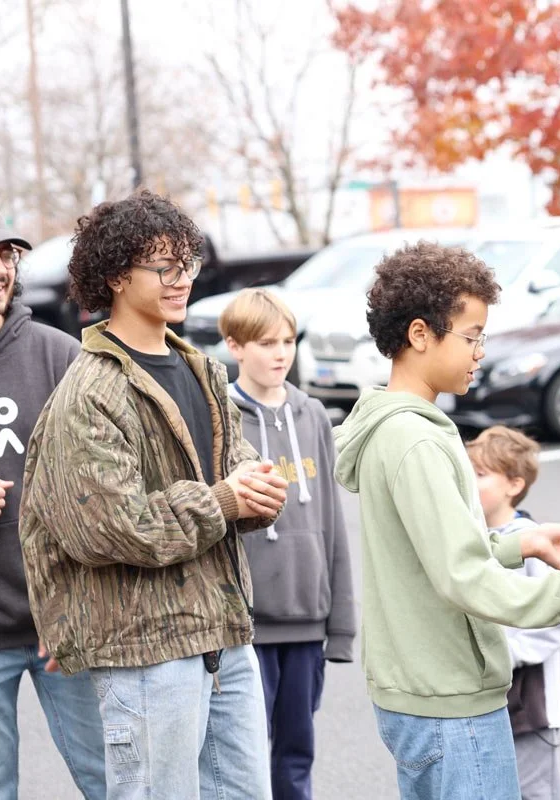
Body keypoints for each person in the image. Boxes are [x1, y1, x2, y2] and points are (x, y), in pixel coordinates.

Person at [333, 241, 560, 800]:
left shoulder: (393, 428)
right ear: (420, 334)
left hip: (420, 693)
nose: (480, 352)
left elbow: (436, 553)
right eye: (470, 336)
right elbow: (461, 575)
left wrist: (523, 544)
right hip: (451, 701)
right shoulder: (416, 438)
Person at [19, 190, 291, 799]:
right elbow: (108, 526)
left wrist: (256, 490)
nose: (181, 280)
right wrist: (224, 500)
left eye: (186, 264)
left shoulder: (201, 368)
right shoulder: (90, 390)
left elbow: (236, 465)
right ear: (116, 276)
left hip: (223, 636)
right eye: (163, 268)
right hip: (146, 650)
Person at [0, 203, 105, 800]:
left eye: (5, 255)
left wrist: (78, 603)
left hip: (64, 625)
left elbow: (102, 484)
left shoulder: (59, 356)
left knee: (117, 781)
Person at [220, 287, 358, 800]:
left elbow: (332, 524)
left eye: (287, 341)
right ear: (235, 346)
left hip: (307, 625)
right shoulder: (222, 418)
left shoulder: (314, 415)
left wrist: (340, 626)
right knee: (244, 760)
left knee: (296, 756)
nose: (280, 353)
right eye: (265, 343)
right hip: (247, 629)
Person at [467, 426, 560, 800]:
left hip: (528, 705)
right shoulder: (465, 539)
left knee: (532, 791)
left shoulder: (534, 540)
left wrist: (510, 652)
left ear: (514, 485)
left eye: (480, 474)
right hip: (480, 699)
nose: (468, 481)